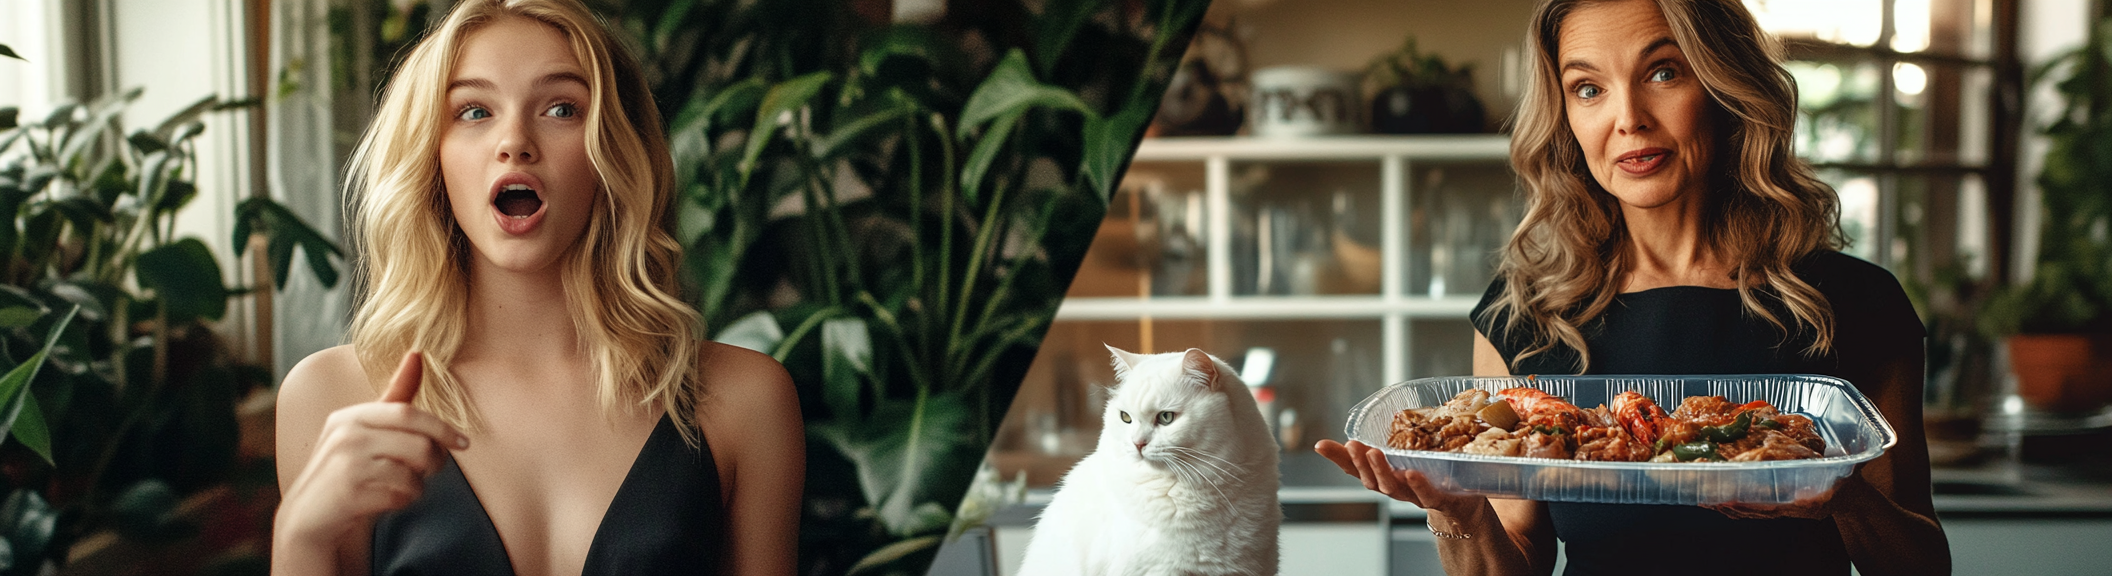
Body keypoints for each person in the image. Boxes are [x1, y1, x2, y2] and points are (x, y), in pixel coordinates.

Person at [1314, 0, 1951, 574]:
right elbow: (1514, 562)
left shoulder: (1855, 303)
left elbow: (1923, 566)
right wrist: (1457, 508)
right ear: (1566, 118)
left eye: (1664, 72)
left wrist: (1845, 499)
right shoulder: (1525, 319)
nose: (1628, 119)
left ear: (1725, 85)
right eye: (1588, 88)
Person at [271, 1, 804, 574]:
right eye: (474, 111)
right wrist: (300, 537)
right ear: (433, 158)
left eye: (560, 108)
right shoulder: (329, 399)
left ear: (614, 152)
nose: (515, 141)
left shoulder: (747, 404)